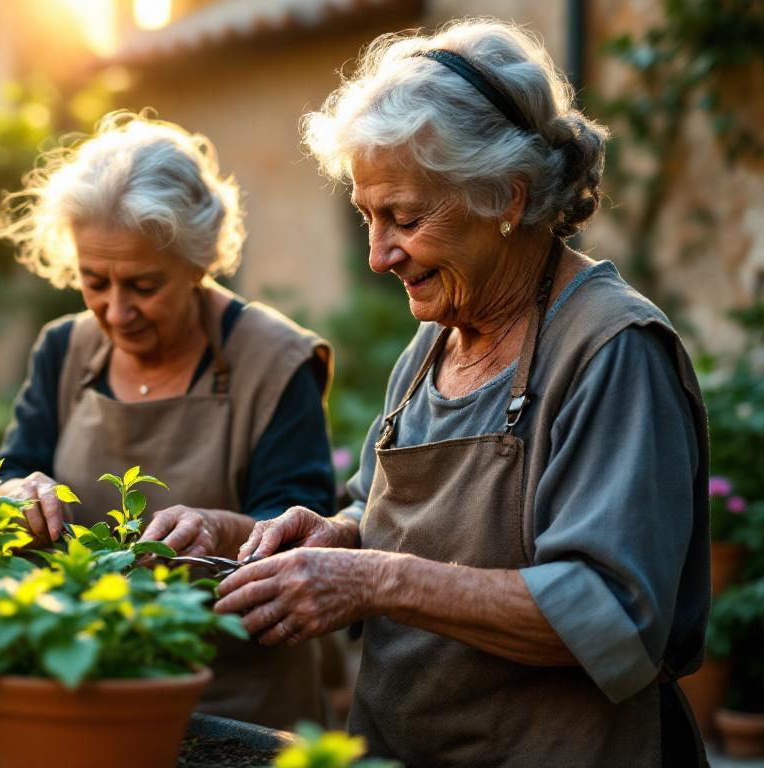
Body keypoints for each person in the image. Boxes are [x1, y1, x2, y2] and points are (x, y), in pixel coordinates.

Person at [215, 20, 710, 766]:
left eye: (405, 218)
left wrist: (375, 578)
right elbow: (379, 514)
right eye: (366, 218)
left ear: (506, 198)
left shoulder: (612, 350)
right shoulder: (434, 341)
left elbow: (611, 616)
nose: (380, 255)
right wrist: (337, 535)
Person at [0, 111, 336, 729]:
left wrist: (219, 530)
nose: (116, 312)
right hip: (85, 690)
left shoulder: (275, 362)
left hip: (241, 707)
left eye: (144, 285)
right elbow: (16, 464)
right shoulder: (63, 351)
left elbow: (298, 528)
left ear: (198, 263)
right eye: (94, 282)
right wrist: (16, 491)